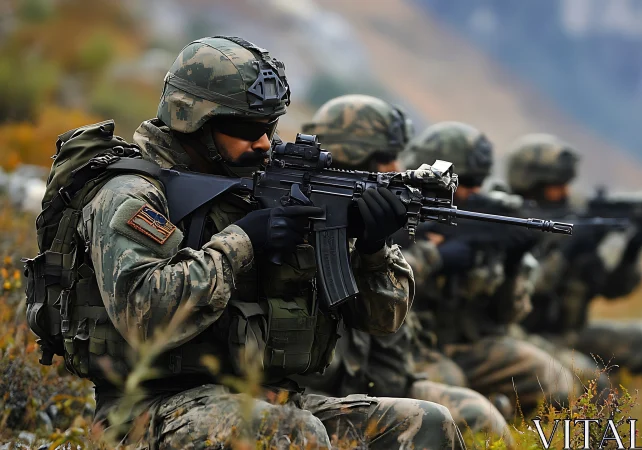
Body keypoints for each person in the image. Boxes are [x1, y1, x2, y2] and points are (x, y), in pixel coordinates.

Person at [57, 36, 463, 449]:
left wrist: (372, 248)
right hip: (148, 413)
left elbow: (382, 321)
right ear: (192, 119)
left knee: (426, 423)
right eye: (246, 129)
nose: (265, 143)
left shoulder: (269, 185)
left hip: (271, 399)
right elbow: (143, 315)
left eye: (269, 127)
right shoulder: (132, 192)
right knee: (294, 432)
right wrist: (245, 240)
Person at [295, 94, 514, 445]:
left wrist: (374, 250)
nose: (397, 166)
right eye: (385, 158)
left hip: (367, 381)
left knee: (477, 416)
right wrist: (431, 256)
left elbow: (389, 344)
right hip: (305, 395)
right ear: (348, 157)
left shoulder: (370, 230)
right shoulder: (294, 219)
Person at [399, 121, 580, 417]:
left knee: (552, 380)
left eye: (478, 182)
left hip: (463, 346)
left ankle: (494, 407)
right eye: (465, 182)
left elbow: (506, 316)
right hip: (411, 348)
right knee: (449, 385)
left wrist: (512, 264)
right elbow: (379, 291)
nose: (474, 191)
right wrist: (437, 257)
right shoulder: (397, 222)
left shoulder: (475, 223)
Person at [504, 133, 642, 379]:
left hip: (570, 335)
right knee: (591, 378)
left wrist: (632, 250)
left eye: (566, 185)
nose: (565, 193)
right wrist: (567, 249)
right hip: (523, 336)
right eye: (556, 187)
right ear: (531, 186)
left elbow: (611, 289)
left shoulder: (574, 217)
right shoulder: (510, 225)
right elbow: (528, 288)